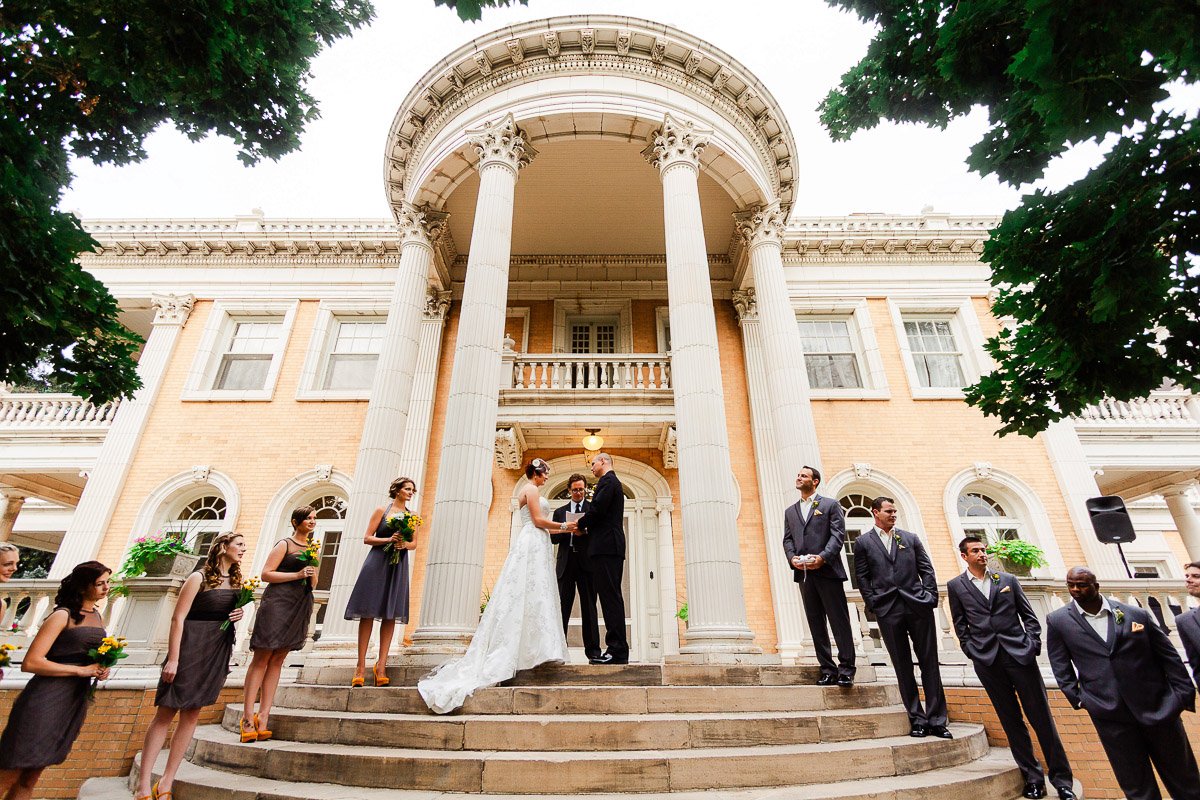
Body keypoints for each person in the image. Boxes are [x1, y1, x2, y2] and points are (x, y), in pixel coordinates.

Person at [418, 458, 568, 713]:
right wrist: (566, 526)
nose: (546, 478)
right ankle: (523, 651)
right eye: (545, 473)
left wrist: (565, 530)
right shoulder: (530, 490)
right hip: (532, 541)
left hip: (538, 542)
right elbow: (538, 521)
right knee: (526, 591)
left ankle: (538, 648)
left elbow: (544, 526)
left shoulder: (534, 490)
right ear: (537, 472)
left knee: (537, 594)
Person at [1046, 566, 1199, 800]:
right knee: (1136, 787)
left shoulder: (1134, 614)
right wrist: (1080, 699)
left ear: (1096, 586)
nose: (1075, 589)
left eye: (1082, 584)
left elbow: (1168, 656)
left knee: (1186, 781)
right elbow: (1060, 666)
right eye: (1071, 584)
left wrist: (1181, 696)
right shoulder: (1058, 621)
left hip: (1160, 708)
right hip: (1110, 715)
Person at [947, 536, 1074, 800]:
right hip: (988, 661)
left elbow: (1029, 616)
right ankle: (1033, 779)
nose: (982, 554)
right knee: (1011, 721)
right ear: (964, 556)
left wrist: (1032, 645)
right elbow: (960, 624)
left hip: (1020, 656)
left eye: (983, 549)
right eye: (975, 551)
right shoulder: (956, 586)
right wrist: (972, 651)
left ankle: (1062, 782)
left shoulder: (1007, 581)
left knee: (1042, 719)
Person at [135, 532, 247, 800]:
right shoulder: (198, 578)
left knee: (192, 714)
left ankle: (166, 782)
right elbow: (178, 619)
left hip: (215, 649)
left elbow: (228, 615)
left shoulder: (238, 582)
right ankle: (142, 785)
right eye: (239, 545)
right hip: (189, 646)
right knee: (165, 712)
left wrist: (238, 614)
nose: (243, 550)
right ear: (223, 547)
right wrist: (173, 658)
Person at [0, 561, 112, 800]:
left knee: (32, 775)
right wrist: (80, 671)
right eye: (99, 583)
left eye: (107, 582)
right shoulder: (62, 615)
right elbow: (31, 662)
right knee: (12, 769)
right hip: (44, 699)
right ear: (83, 587)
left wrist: (100, 669)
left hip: (73, 700)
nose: (106, 588)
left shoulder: (97, 616)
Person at [852, 496, 950, 738]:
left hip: (918, 606)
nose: (893, 514)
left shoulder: (910, 538)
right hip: (888, 609)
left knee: (929, 662)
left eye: (895, 511)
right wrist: (873, 602)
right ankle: (917, 719)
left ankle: (938, 720)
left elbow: (926, 568)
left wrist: (930, 598)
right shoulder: (863, 542)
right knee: (902, 666)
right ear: (875, 513)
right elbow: (862, 576)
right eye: (888, 511)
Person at [241, 506, 318, 742]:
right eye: (309, 518)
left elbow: (314, 582)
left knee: (278, 660)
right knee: (262, 657)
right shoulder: (284, 544)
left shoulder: (313, 548)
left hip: (299, 603)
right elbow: (266, 574)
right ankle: (246, 719)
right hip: (277, 602)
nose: (313, 522)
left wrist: (310, 571)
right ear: (296, 522)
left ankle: (263, 717)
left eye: (315, 518)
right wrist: (296, 575)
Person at [782, 465, 855, 686]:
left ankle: (846, 670)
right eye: (798, 475)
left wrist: (823, 557)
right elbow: (787, 539)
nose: (799, 477)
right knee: (815, 623)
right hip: (804, 574)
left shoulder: (830, 505)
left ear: (815, 481)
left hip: (828, 571)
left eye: (803, 475)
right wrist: (792, 558)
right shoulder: (790, 511)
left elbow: (837, 535)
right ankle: (827, 669)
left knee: (838, 622)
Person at [343, 476, 418, 687]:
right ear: (397, 490)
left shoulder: (413, 516)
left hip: (398, 565)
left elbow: (414, 544)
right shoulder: (381, 511)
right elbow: (367, 538)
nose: (411, 492)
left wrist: (403, 544)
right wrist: (389, 539)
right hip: (377, 563)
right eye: (407, 489)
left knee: (391, 614)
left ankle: (381, 666)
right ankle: (360, 667)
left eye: (413, 490)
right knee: (367, 612)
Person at [572, 453, 629, 664]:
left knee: (610, 599)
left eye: (593, 463)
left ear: (603, 461)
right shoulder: (609, 482)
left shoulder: (608, 481)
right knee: (610, 598)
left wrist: (578, 525)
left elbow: (596, 511)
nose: (592, 467)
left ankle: (617, 651)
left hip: (607, 548)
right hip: (606, 546)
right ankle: (617, 649)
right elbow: (601, 517)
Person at [551, 473, 600, 662]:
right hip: (566, 563)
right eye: (575, 489)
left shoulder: (592, 510)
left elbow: (597, 535)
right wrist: (567, 528)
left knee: (589, 608)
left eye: (581, 489)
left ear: (585, 489)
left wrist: (584, 531)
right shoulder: (560, 512)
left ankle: (594, 652)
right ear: (569, 490)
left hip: (587, 564)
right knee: (562, 608)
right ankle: (559, 651)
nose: (578, 492)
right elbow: (553, 537)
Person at [1177, 560, 1200, 688]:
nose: (1188, 580)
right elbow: (1197, 666)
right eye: (1187, 576)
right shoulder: (1185, 621)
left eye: (1196, 576)